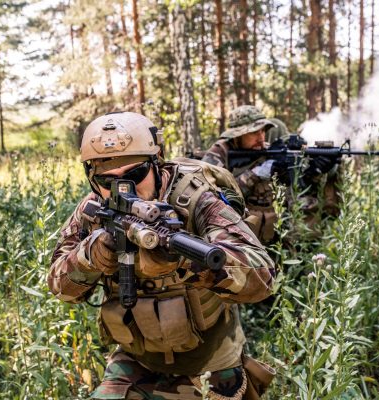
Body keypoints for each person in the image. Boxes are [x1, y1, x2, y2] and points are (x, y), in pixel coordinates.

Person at [48, 112, 276, 399]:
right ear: (92, 179)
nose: (124, 189)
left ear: (157, 164)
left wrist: (188, 263)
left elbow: (263, 275)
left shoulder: (196, 199)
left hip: (210, 364)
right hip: (136, 361)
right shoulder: (94, 209)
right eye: (107, 180)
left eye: (134, 175)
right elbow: (59, 287)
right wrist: (91, 255)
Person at [201, 106, 278, 244]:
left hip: (268, 230)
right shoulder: (219, 153)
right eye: (254, 132)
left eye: (262, 131)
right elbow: (211, 196)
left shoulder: (268, 150)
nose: (261, 138)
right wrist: (253, 175)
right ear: (238, 135)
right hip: (232, 231)